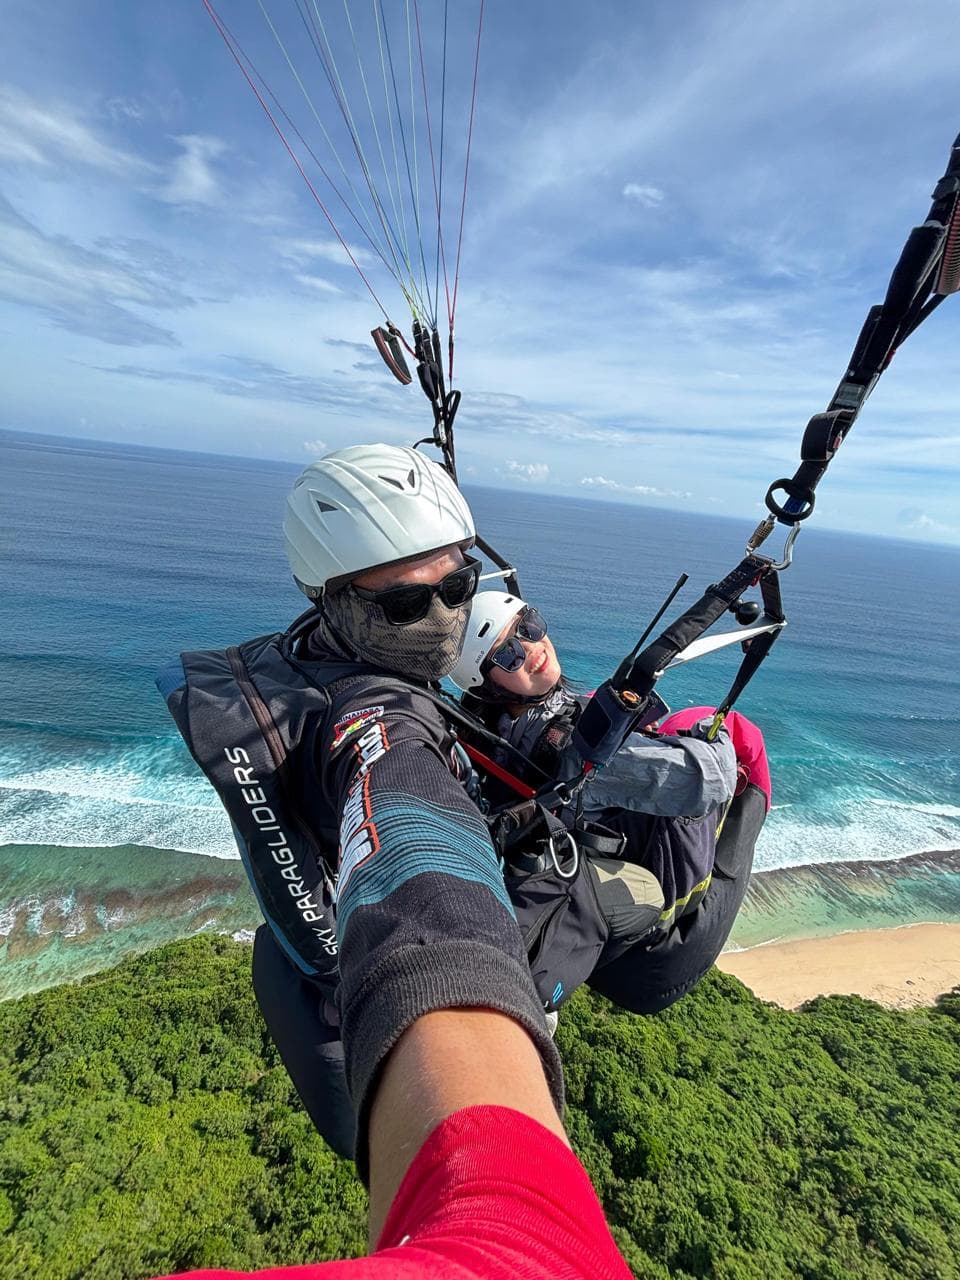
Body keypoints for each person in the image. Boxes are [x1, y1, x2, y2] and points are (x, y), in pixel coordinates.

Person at [159, 445, 666, 1163]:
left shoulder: (309, 653)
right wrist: (491, 1155)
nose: (441, 616)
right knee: (637, 899)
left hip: (316, 966)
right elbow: (410, 836)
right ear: (331, 597)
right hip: (404, 1028)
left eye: (458, 586)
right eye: (403, 603)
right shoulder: (380, 723)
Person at [449, 589, 770, 1016]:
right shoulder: (571, 753)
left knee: (678, 727)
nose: (531, 649)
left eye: (529, 626)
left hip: (602, 934)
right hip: (669, 946)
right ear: (486, 684)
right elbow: (711, 780)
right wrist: (714, 734)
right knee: (733, 731)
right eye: (507, 654)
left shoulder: (478, 737)